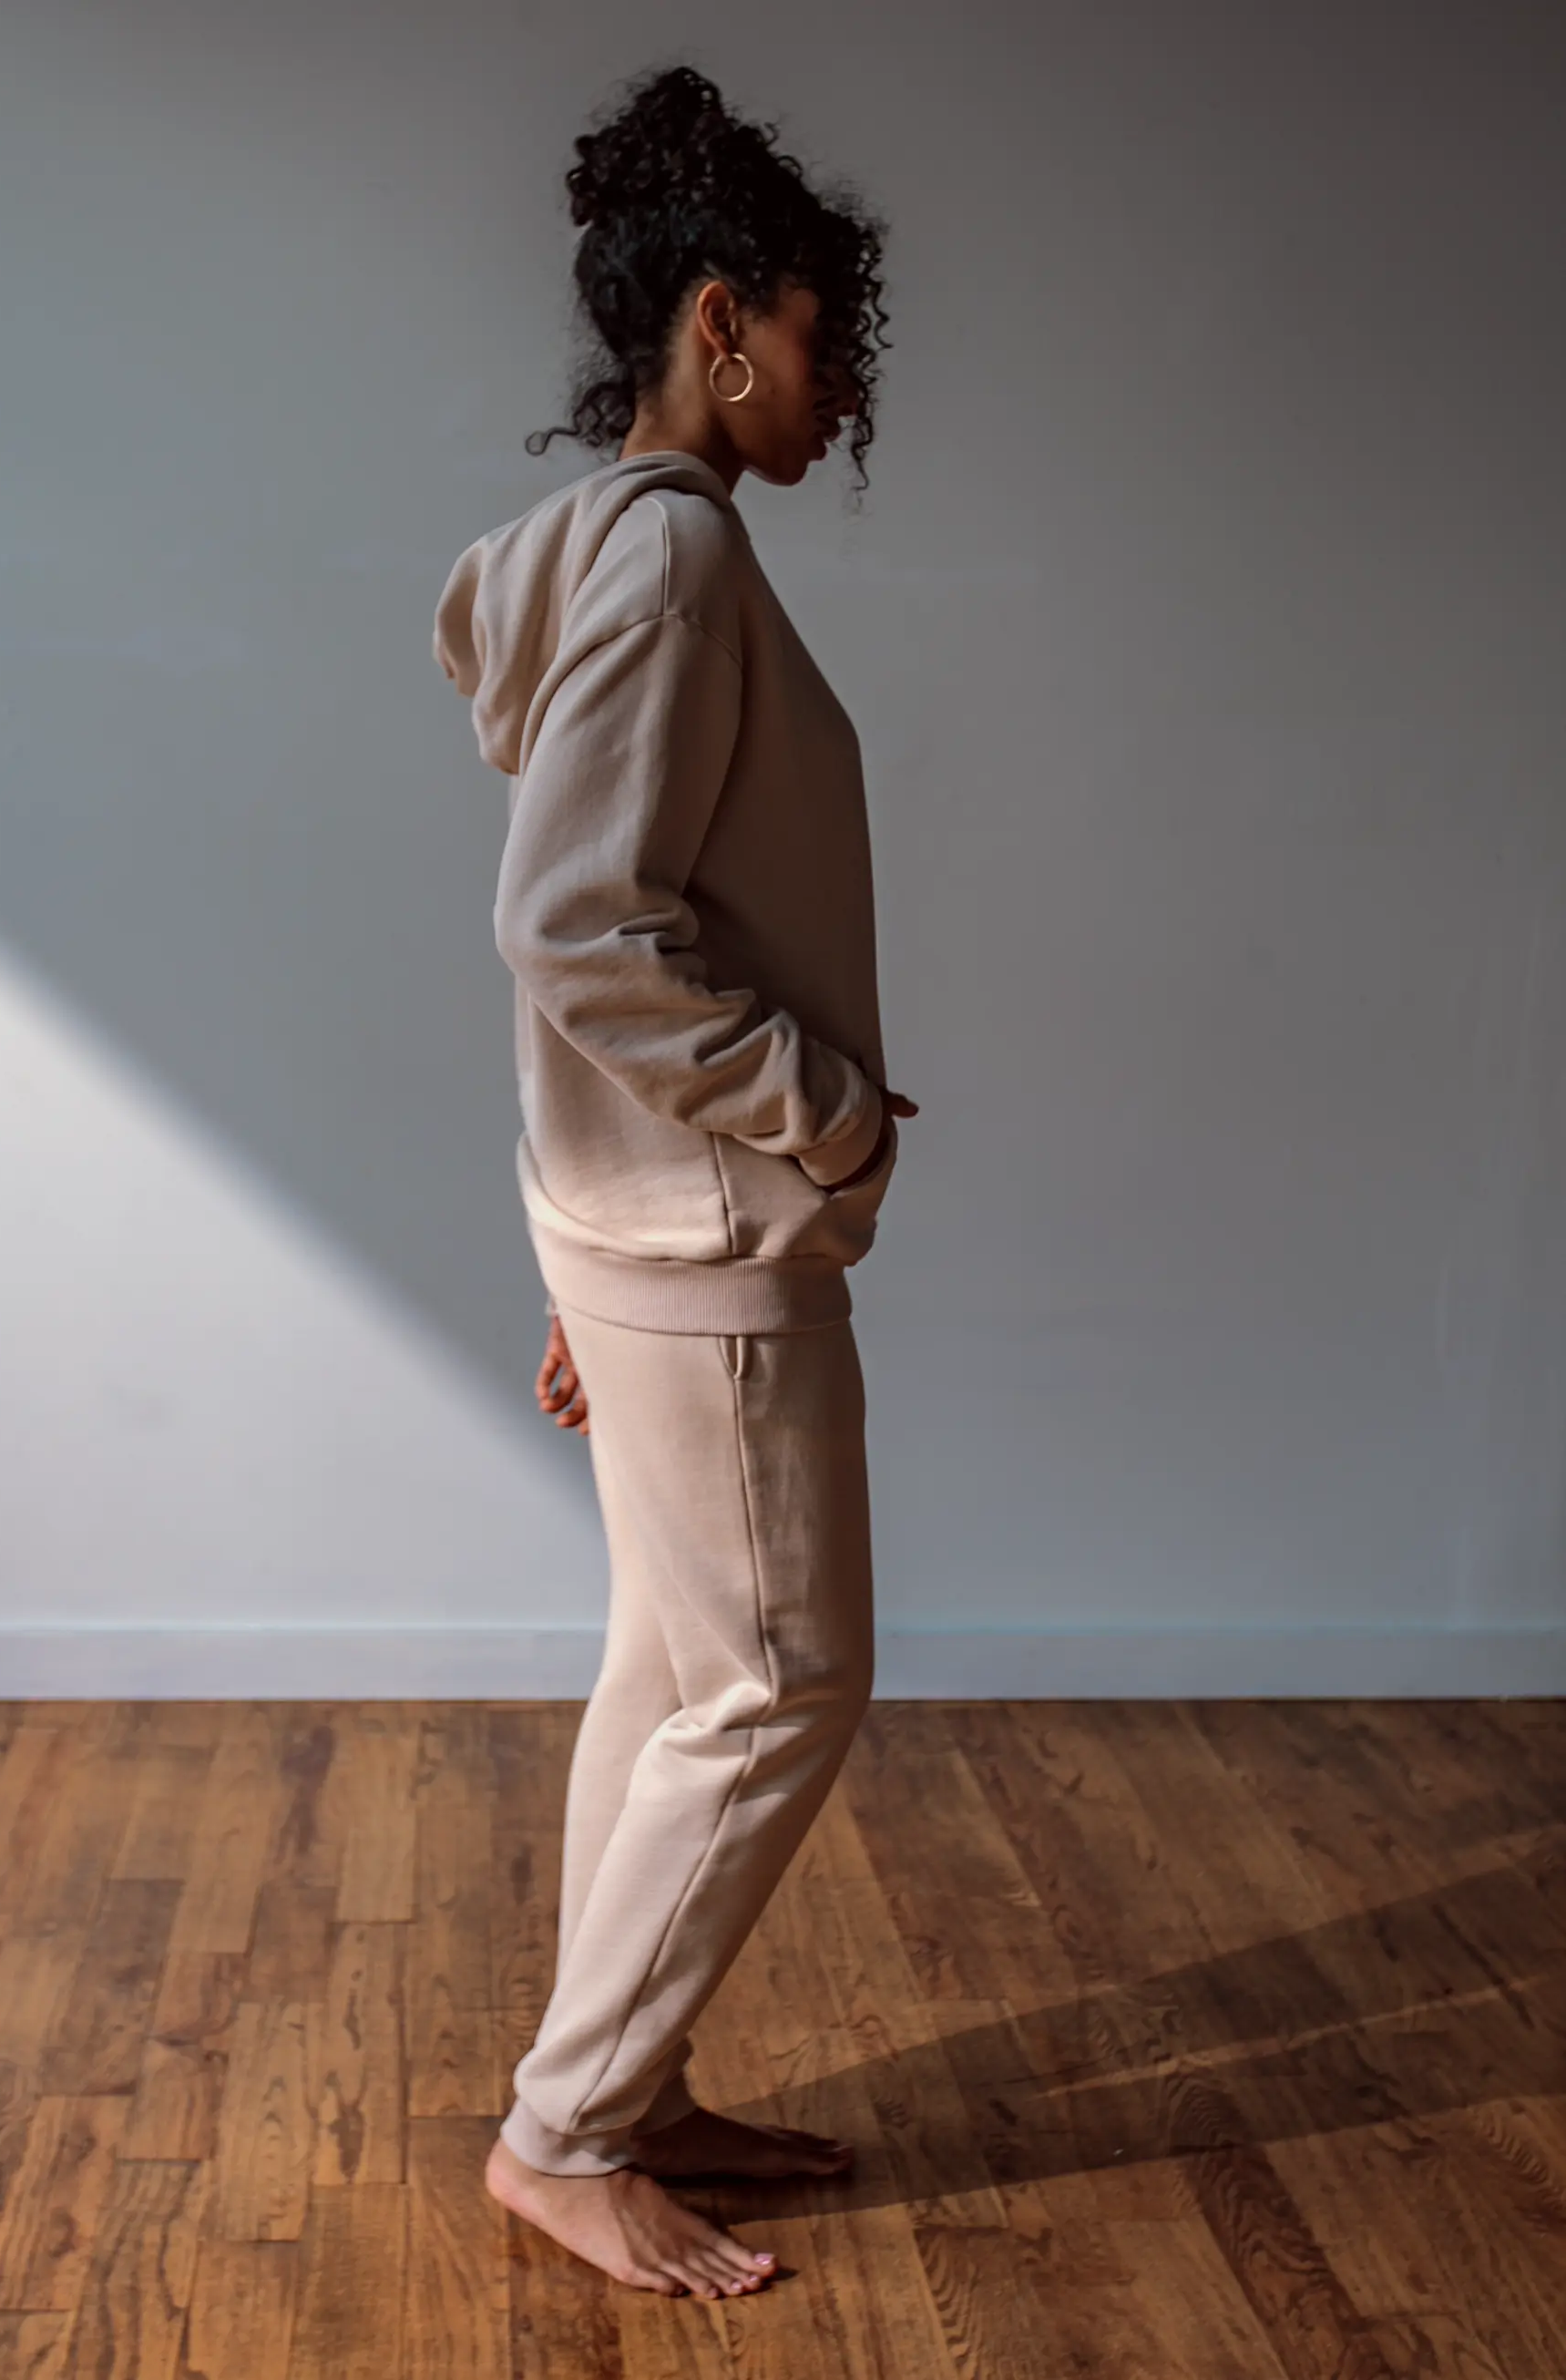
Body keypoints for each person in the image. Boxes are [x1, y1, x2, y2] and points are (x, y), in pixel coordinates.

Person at [433, 61, 917, 2301]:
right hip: (702, 1219)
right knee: (786, 1672)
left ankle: (624, 2077)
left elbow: (596, 924)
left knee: (671, 1660)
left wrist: (585, 1237)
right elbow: (576, 921)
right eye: (824, 335)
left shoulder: (588, 556)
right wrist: (811, 1105)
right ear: (721, 319)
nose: (841, 385)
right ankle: (565, 2130)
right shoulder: (675, 556)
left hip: (633, 1220)